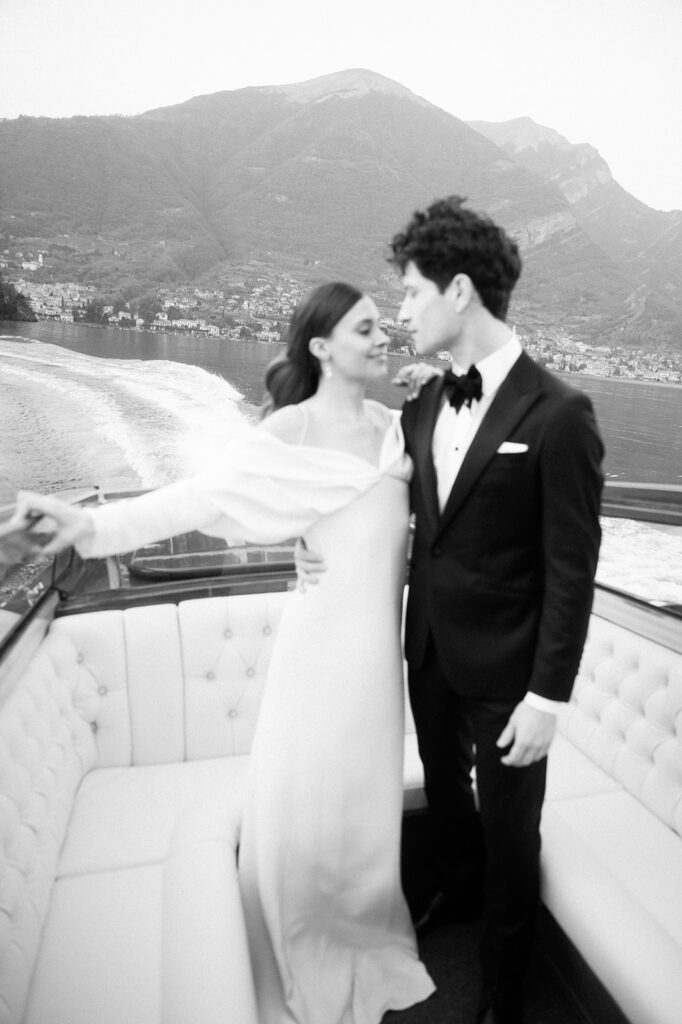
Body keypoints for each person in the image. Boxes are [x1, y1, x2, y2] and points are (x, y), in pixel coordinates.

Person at [10, 281, 436, 1024]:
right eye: (366, 329)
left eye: (380, 328)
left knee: (367, 806)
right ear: (321, 347)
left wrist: (448, 383)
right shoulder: (286, 436)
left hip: (377, 662)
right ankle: (304, 941)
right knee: (309, 805)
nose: (381, 340)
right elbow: (193, 502)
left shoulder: (396, 427)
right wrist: (85, 527)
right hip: (319, 656)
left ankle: (363, 934)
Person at [297, 198, 605, 1024]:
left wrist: (549, 696)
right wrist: (308, 535)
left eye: (409, 293)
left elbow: (572, 567)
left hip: (511, 676)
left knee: (513, 834)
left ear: (458, 291)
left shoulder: (560, 414)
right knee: (445, 793)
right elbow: (378, 496)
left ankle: (504, 984)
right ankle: (459, 899)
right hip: (427, 651)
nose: (399, 313)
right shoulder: (425, 405)